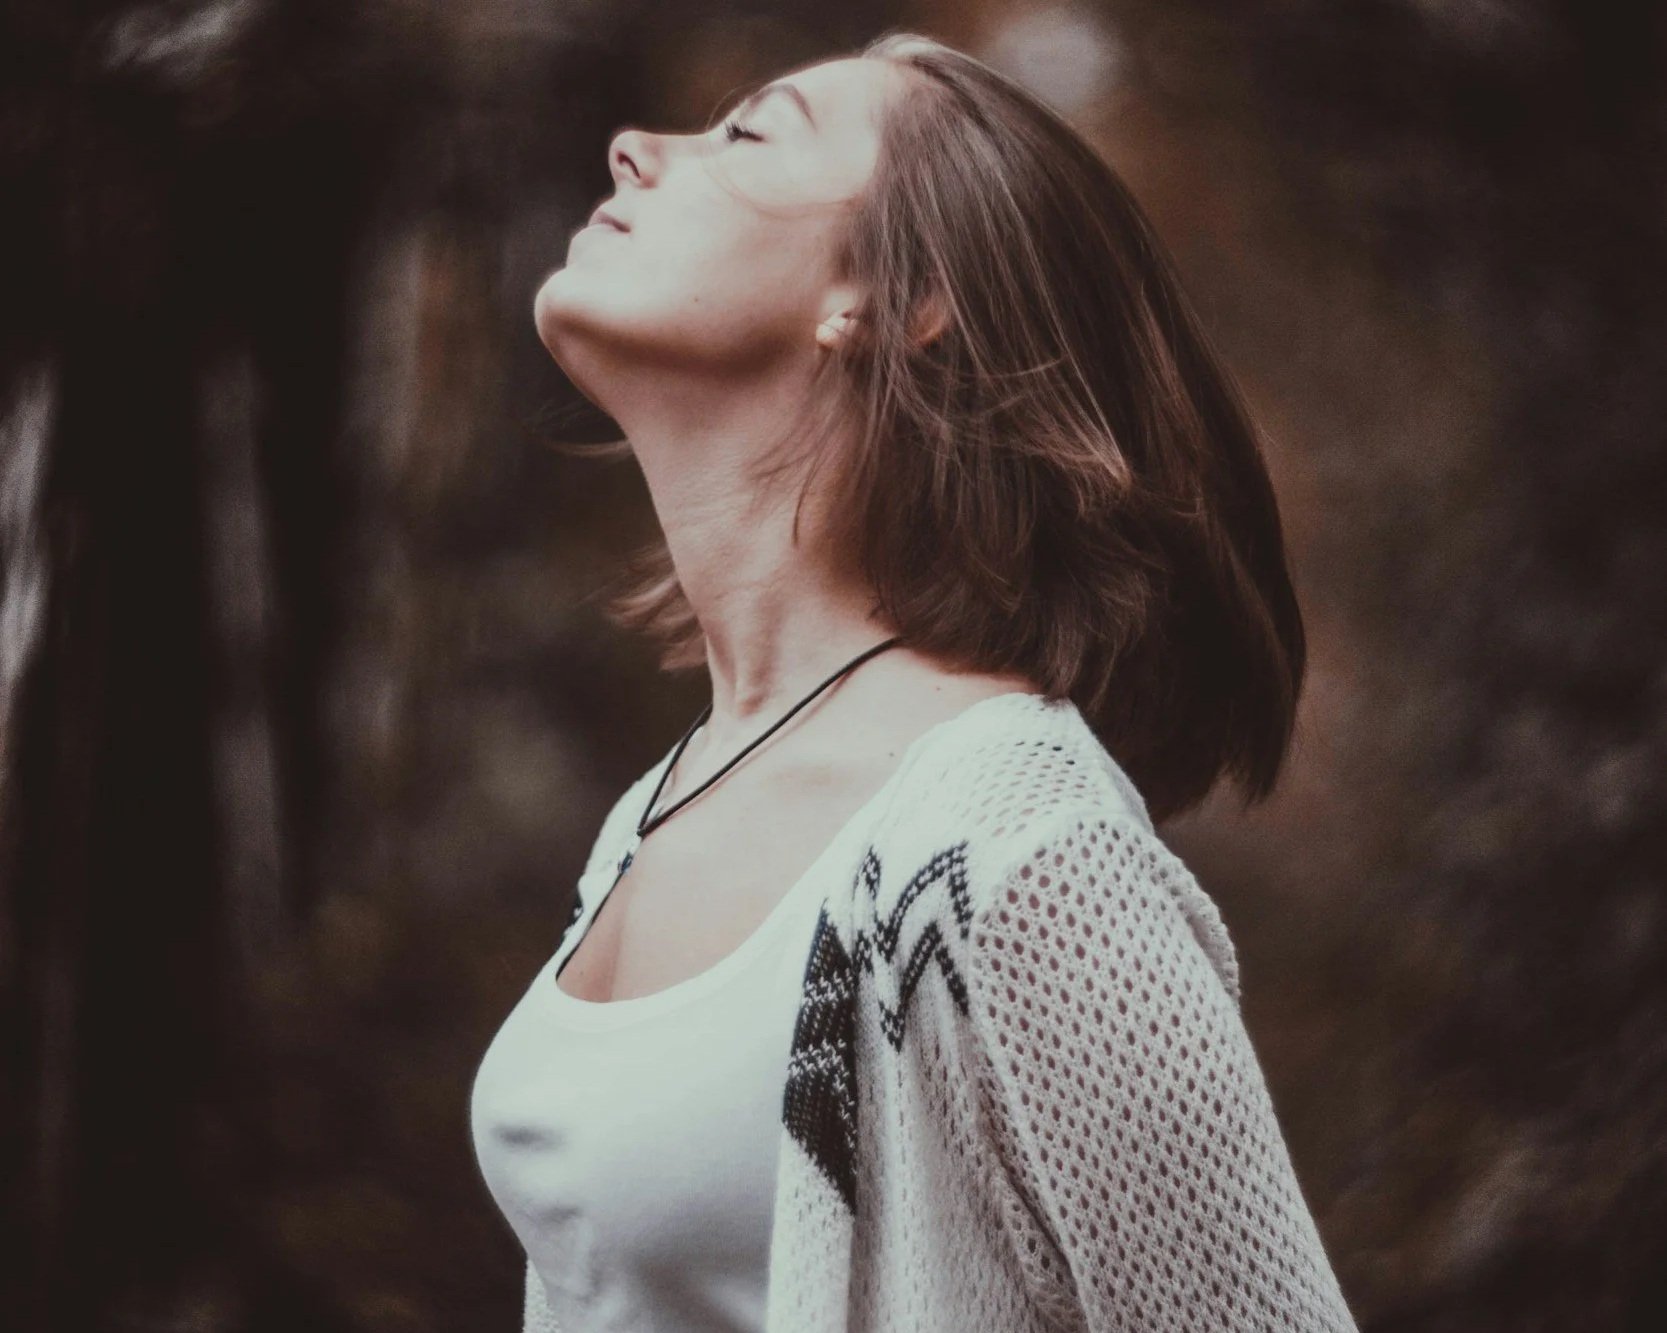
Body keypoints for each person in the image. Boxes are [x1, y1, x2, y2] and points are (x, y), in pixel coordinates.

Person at [470, 29, 1359, 1333]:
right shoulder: (655, 813)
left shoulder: (1018, 853)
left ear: (894, 297)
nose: (634, 149)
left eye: (749, 136)